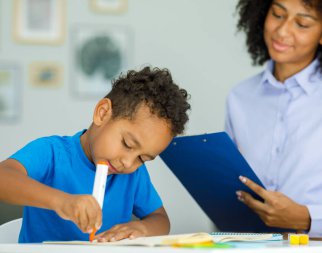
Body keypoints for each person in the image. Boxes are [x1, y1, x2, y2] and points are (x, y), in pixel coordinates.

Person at [225, 0, 322, 238]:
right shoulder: (241, 97)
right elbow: (231, 187)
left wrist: (307, 217)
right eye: (277, 14)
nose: (283, 30)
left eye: (302, 23)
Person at [0, 66, 191, 243]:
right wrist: (61, 201)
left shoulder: (133, 175)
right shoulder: (52, 153)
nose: (128, 162)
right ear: (102, 113)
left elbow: (160, 219)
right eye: (127, 144)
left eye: (142, 159)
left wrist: (142, 228)